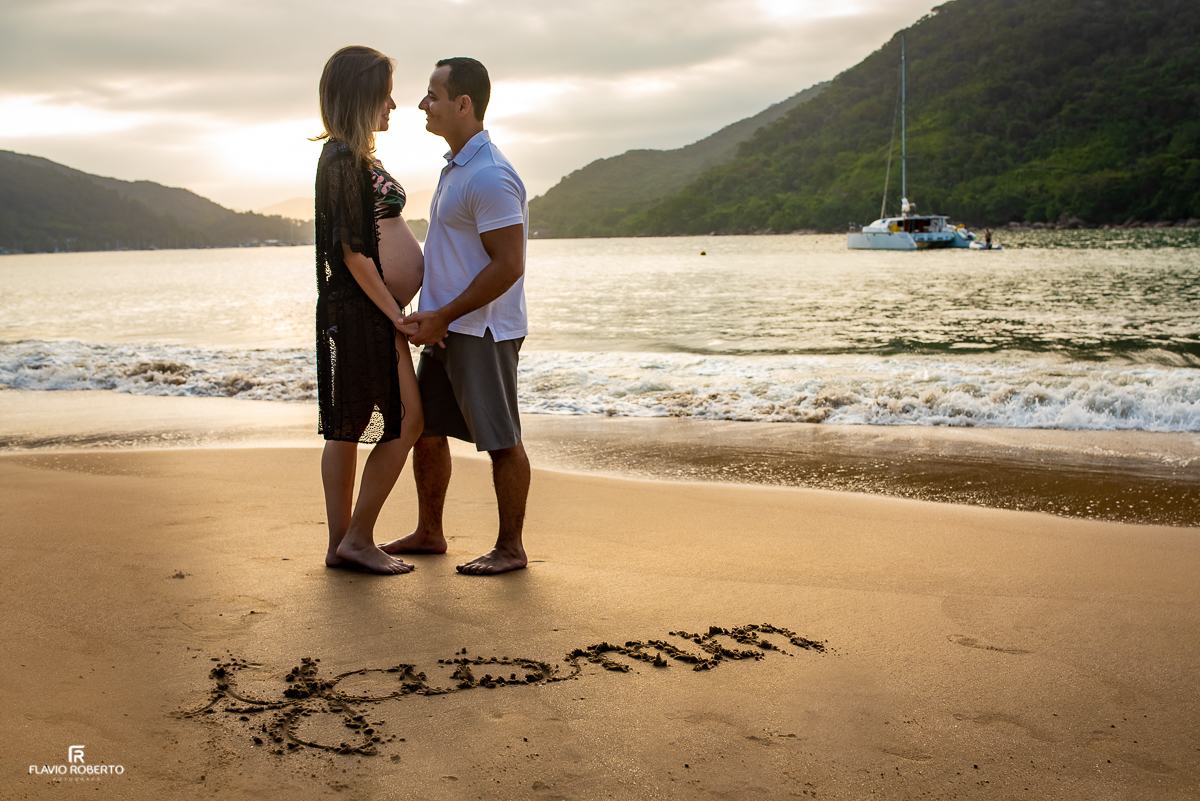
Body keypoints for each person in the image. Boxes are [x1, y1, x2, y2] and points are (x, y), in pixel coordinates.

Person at [379, 57, 530, 575]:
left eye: (433, 95)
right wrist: (435, 315)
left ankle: (510, 548)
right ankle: (429, 531)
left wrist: (442, 314)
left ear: (463, 104)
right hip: (447, 327)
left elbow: (509, 265)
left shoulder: (489, 175)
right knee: (426, 429)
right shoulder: (458, 167)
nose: (422, 104)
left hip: (480, 330)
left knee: (501, 440)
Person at [313, 46, 425, 575]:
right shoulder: (340, 160)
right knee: (405, 422)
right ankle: (355, 539)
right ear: (362, 95)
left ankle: (344, 544)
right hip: (365, 310)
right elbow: (353, 252)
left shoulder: (353, 157)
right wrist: (395, 314)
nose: (394, 105)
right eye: (385, 94)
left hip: (368, 309)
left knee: (350, 424)